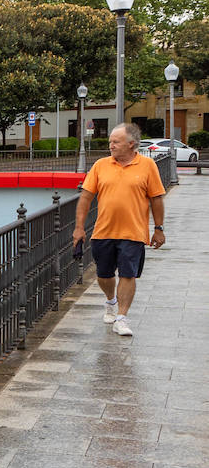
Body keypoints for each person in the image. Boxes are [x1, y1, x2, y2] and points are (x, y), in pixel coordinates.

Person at [72, 123, 165, 337]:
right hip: (103, 231)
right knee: (104, 274)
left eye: (116, 142)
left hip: (134, 232)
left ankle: (122, 318)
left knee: (128, 273)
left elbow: (156, 198)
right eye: (110, 142)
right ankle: (110, 300)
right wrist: (79, 228)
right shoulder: (100, 165)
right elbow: (86, 197)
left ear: (131, 144)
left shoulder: (148, 165)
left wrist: (158, 228)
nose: (111, 146)